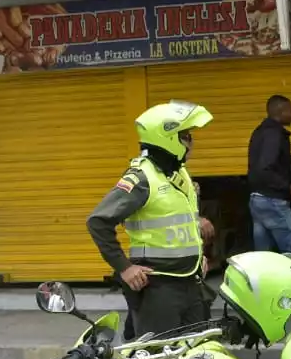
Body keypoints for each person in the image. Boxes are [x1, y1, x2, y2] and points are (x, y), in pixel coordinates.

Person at [87, 100, 213, 339]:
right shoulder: (141, 179)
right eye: (185, 135)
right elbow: (98, 221)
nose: (191, 142)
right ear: (167, 138)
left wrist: (198, 255)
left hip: (191, 282)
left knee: (196, 355)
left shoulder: (179, 174)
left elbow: (175, 218)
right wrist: (124, 268)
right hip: (158, 288)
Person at [248, 94, 291, 256]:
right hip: (273, 201)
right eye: (290, 111)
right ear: (281, 111)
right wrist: (289, 186)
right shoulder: (275, 134)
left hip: (257, 200)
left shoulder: (259, 132)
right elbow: (266, 167)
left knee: (263, 256)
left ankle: (261, 282)